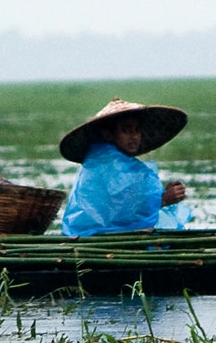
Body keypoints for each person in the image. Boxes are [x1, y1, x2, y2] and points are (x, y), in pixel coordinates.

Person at [58, 98, 193, 238]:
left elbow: (128, 201)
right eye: (126, 130)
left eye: (137, 130)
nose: (134, 136)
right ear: (108, 135)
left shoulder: (106, 161)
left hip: (102, 234)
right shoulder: (105, 163)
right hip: (98, 235)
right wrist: (163, 199)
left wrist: (161, 196)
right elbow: (121, 211)